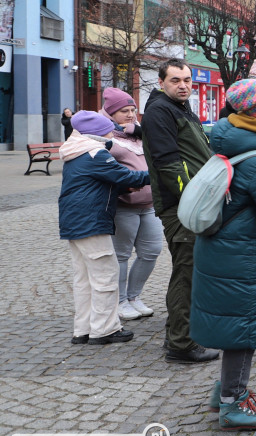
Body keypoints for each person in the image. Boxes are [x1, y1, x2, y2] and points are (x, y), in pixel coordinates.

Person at [191, 78, 256, 430]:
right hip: (243, 254)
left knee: (235, 322)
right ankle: (232, 404)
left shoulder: (228, 141)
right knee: (244, 327)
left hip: (219, 248)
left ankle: (227, 389)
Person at [141, 60, 219, 364]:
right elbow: (168, 162)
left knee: (190, 271)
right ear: (162, 82)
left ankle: (180, 330)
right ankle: (181, 344)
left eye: (187, 80)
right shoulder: (161, 111)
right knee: (186, 274)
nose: (183, 85)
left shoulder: (179, 108)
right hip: (181, 207)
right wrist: (193, 201)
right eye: (175, 80)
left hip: (190, 203)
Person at [59, 111, 150, 346]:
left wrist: (119, 189)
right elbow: (128, 176)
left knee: (84, 279)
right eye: (109, 129)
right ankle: (104, 330)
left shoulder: (76, 150)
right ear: (98, 132)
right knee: (105, 276)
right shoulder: (95, 152)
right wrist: (158, 173)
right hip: (91, 221)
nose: (113, 132)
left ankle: (83, 329)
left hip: (74, 220)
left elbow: (90, 184)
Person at [100, 88, 162, 322]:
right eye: (123, 111)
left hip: (150, 204)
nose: (130, 115)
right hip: (124, 206)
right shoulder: (107, 138)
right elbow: (103, 172)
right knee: (122, 255)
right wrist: (123, 186)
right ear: (111, 114)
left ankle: (135, 297)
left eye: (133, 110)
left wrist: (141, 130)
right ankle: (121, 300)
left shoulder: (138, 133)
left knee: (151, 252)